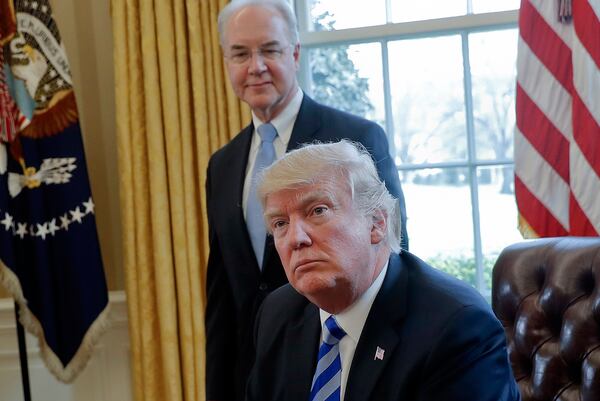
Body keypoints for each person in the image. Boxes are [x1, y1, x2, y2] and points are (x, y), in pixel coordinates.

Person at [205, 1, 409, 400]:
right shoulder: (222, 164)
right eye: (241, 53)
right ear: (226, 61)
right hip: (260, 376)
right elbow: (222, 294)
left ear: (295, 54)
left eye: (270, 49)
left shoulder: (354, 138)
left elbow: (393, 253)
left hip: (345, 363)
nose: (256, 66)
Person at [247, 141, 521, 401]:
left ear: (376, 223)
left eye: (318, 211)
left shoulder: (455, 327)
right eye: (280, 223)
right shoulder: (278, 313)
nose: (296, 238)